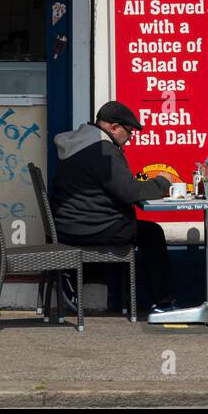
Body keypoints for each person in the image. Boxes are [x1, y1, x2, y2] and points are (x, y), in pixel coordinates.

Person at [50, 100, 178, 313]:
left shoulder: (81, 143)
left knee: (142, 229)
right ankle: (164, 303)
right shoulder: (103, 149)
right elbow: (129, 192)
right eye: (129, 132)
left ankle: (70, 274)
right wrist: (164, 182)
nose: (129, 139)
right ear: (113, 127)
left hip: (68, 225)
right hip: (90, 227)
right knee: (152, 233)